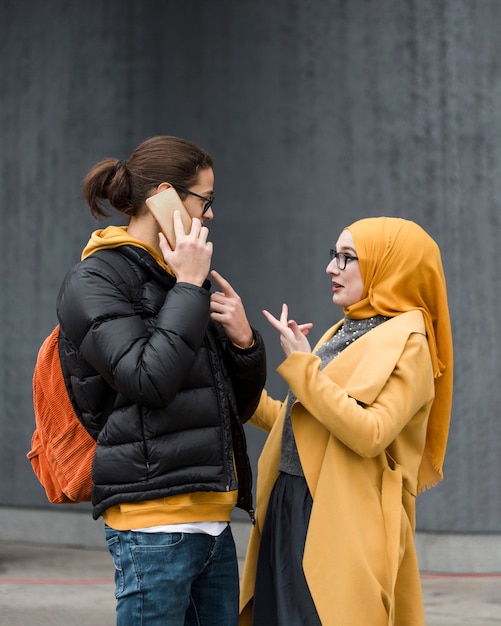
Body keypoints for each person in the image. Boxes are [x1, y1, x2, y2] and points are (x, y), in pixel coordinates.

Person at [56, 135, 267, 626]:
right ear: (166, 196)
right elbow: (149, 379)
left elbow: (229, 408)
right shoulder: (96, 279)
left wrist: (243, 344)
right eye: (205, 201)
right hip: (153, 526)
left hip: (213, 520)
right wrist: (190, 287)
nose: (210, 215)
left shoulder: (177, 276)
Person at [239, 217, 453, 626]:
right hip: (290, 500)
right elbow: (300, 421)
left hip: (339, 515)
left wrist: (303, 367)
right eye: (334, 255)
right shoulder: (346, 329)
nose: (331, 268)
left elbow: (370, 433)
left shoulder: (410, 343)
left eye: (347, 258)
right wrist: (238, 360)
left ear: (389, 265)